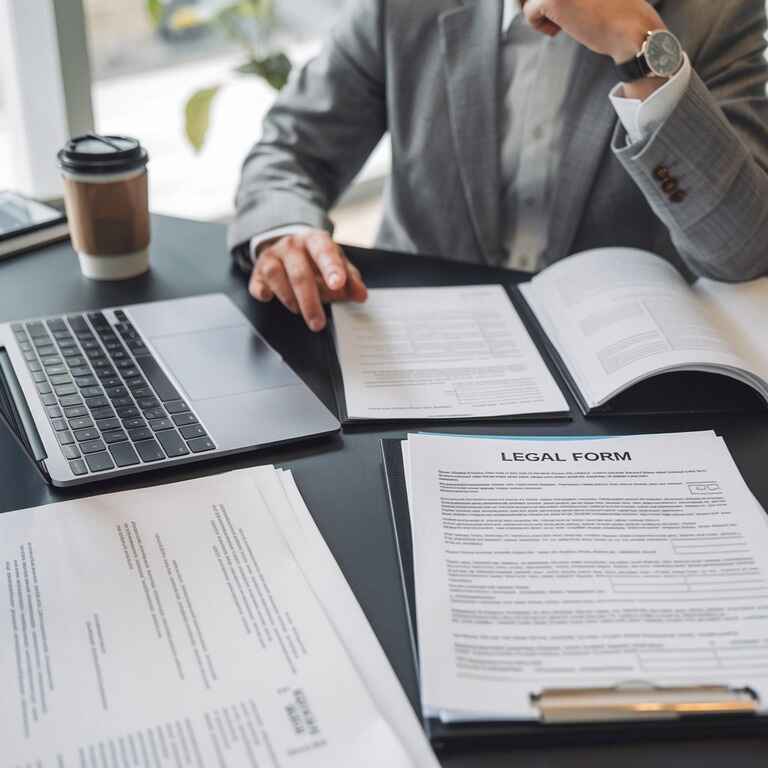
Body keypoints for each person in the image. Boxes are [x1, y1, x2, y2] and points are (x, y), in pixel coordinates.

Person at [229, 0, 768, 331]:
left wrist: (641, 46)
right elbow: (291, 149)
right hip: (419, 333)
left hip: (621, 356)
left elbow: (740, 249)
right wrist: (287, 232)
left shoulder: (717, 13)